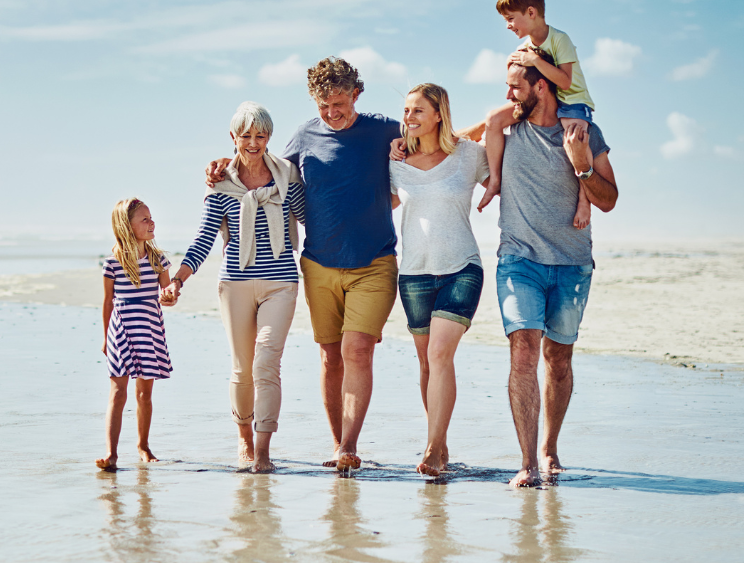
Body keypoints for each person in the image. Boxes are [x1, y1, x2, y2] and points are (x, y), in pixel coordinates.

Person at [206, 57, 400, 471]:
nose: (331, 113)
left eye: (339, 103)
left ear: (357, 95)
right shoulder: (304, 138)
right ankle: (336, 445)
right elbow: (261, 168)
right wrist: (221, 166)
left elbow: (436, 141)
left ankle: (349, 445)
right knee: (331, 356)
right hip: (319, 264)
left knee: (358, 349)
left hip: (375, 261)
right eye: (323, 105)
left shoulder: (385, 130)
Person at [493, 52, 618, 487]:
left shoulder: (584, 132)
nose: (509, 94)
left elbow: (609, 198)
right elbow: (447, 138)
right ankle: (526, 462)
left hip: (572, 265)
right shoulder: (505, 128)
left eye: (515, 86)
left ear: (541, 86)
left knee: (558, 359)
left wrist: (581, 162)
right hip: (518, 260)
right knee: (524, 348)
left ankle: (549, 449)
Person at [165, 102, 305, 473]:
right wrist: (177, 280)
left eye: (261, 136)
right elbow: (203, 240)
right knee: (243, 368)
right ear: (233, 138)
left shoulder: (288, 176)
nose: (254, 143)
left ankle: (262, 450)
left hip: (281, 283)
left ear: (269, 137)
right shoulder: (222, 183)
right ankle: (243, 441)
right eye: (246, 136)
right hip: (236, 284)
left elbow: (314, 218)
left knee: (266, 363)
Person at [387, 83, 489, 478]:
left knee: (440, 355)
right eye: (407, 111)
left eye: (417, 111)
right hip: (413, 273)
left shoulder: (468, 155)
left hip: (461, 267)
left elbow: (500, 140)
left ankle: (431, 448)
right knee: (427, 365)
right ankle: (441, 444)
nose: (409, 117)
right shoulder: (395, 161)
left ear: (438, 115)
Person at [478, 0, 598, 231]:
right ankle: (497, 180)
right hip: (542, 99)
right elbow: (522, 76)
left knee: (575, 139)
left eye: (511, 18)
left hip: (573, 102)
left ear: (531, 12)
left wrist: (534, 60)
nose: (508, 25)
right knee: (493, 120)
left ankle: (584, 201)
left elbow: (565, 82)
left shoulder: (559, 40)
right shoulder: (525, 47)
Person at [97, 198, 178, 471]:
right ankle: (111, 453)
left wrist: (170, 297)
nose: (152, 222)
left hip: (149, 329)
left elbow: (167, 293)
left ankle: (143, 445)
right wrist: (106, 337)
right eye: (144, 219)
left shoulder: (158, 259)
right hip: (120, 330)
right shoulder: (113, 262)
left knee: (144, 394)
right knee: (118, 393)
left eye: (151, 217)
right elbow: (107, 302)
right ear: (126, 226)